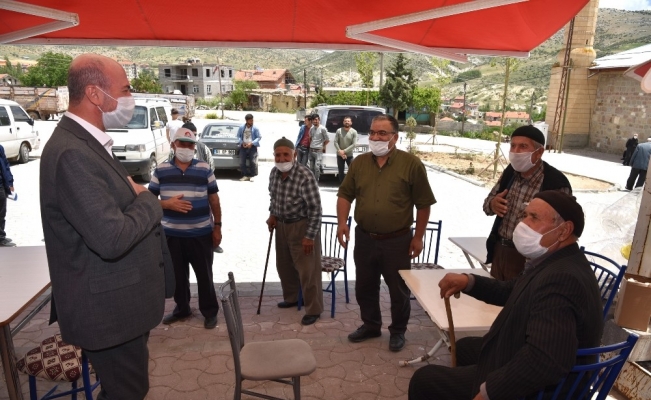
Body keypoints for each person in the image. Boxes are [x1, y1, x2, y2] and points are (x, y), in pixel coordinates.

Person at [40, 53, 173, 400]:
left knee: (127, 389)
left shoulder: (89, 143)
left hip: (121, 304)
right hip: (107, 312)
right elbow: (111, 237)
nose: (131, 98)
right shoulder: (73, 153)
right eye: (125, 89)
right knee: (126, 392)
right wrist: (149, 201)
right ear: (95, 94)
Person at [409, 191, 603, 400]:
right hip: (525, 352)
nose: (523, 224)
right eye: (524, 215)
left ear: (564, 230)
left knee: (424, 380)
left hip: (547, 391)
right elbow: (512, 290)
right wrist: (469, 281)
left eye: (534, 217)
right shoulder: (558, 261)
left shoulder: (561, 279)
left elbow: (544, 360)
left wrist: (489, 392)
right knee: (465, 348)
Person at [337, 115, 436, 352]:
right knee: (365, 286)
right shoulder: (359, 163)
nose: (375, 138)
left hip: (397, 241)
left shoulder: (411, 164)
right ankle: (371, 325)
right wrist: (342, 223)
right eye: (372, 132)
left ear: (395, 137)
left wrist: (418, 237)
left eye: (382, 133)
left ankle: (398, 331)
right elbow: (345, 195)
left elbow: (423, 204)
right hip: (365, 239)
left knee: (398, 290)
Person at [149, 127, 222, 330]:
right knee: (177, 277)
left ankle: (210, 311)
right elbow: (148, 200)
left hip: (201, 234)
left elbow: (214, 200)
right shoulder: (161, 170)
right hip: (171, 235)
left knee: (205, 275)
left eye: (191, 144)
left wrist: (217, 227)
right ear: (173, 144)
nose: (187, 148)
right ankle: (182, 309)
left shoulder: (204, 168)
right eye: (182, 143)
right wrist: (166, 204)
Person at [483, 125, 571, 281]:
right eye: (513, 146)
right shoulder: (510, 173)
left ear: (539, 152)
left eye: (523, 146)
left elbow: (562, 231)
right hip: (501, 251)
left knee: (520, 296)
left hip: (531, 260)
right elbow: (487, 205)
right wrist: (493, 204)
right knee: (494, 293)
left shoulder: (555, 183)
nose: (516, 151)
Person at [266, 137, 323, 326]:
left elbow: (315, 209)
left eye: (286, 155)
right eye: (278, 155)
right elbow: (274, 197)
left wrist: (309, 236)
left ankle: (314, 309)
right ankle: (292, 298)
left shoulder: (305, 176)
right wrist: (272, 214)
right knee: (284, 266)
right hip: (282, 225)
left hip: (302, 226)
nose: (282, 159)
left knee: (308, 271)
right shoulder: (274, 173)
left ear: (295, 154)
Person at [237, 113, 261, 182]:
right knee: (242, 162)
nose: (252, 122)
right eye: (250, 121)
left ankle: (252, 176)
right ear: (246, 121)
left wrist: (252, 143)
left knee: (253, 162)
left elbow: (259, 137)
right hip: (243, 147)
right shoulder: (242, 127)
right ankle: (245, 175)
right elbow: (238, 136)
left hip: (252, 147)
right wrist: (242, 142)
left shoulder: (255, 128)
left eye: (252, 120)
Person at [334, 116, 358, 184]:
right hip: (340, 155)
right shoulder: (339, 131)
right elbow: (335, 142)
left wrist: (344, 151)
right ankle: (342, 185)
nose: (347, 122)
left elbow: (354, 144)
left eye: (348, 121)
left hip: (349, 155)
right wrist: (340, 151)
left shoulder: (354, 132)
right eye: (345, 121)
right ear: (343, 122)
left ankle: (351, 185)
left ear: (351, 122)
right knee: (340, 171)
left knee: (352, 171)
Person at [0, 144, 15, 247]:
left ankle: (1, 236)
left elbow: (5, 165)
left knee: (2, 212)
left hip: (1, 185)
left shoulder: (0, 148)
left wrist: (10, 183)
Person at [308, 114, 329, 182]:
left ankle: (316, 181)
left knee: (317, 167)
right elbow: (310, 138)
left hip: (318, 151)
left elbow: (327, 140)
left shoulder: (323, 129)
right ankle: (311, 181)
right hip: (311, 150)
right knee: (311, 167)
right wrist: (311, 145)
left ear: (319, 119)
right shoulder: (311, 128)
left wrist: (322, 147)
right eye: (313, 120)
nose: (315, 121)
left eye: (316, 120)